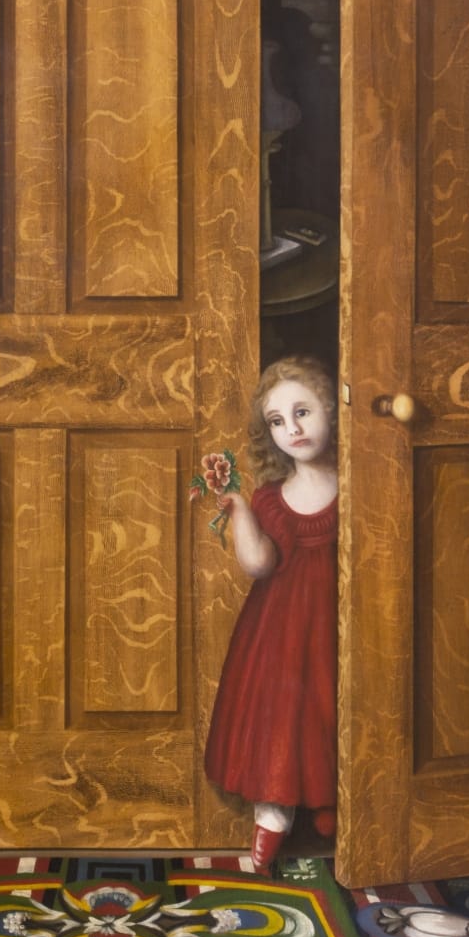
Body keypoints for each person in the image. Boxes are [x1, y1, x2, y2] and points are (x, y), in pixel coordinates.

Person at [203, 355, 339, 874]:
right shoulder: (271, 498)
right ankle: (274, 815)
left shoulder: (356, 484)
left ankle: (330, 800)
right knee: (281, 716)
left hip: (340, 622)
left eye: (303, 412)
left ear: (330, 409)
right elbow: (259, 564)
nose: (293, 429)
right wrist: (240, 510)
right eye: (278, 421)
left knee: (333, 707)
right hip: (281, 629)